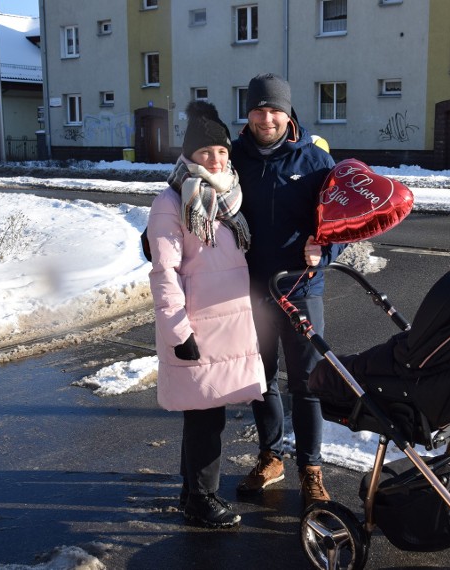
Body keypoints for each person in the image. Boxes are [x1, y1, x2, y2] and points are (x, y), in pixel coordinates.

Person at [144, 100, 266, 529]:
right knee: (205, 418)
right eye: (206, 152)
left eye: (221, 152)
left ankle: (191, 492)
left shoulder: (227, 196)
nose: (216, 159)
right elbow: (164, 272)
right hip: (196, 326)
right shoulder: (171, 202)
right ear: (188, 156)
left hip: (227, 323)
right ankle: (202, 500)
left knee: (205, 413)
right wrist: (179, 331)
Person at [231, 73, 346, 508]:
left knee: (308, 383)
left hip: (301, 288)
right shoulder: (233, 158)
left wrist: (327, 248)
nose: (266, 118)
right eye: (259, 109)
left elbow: (342, 222)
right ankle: (270, 456)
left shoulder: (315, 161)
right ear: (249, 111)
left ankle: (311, 468)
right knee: (260, 380)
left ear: (288, 113)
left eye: (274, 110)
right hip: (250, 289)